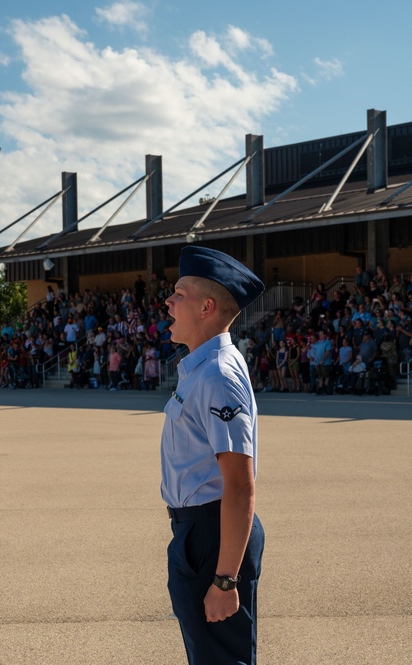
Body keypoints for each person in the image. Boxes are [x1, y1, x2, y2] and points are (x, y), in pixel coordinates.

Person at [161, 246, 265, 665]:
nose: (169, 301)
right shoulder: (202, 368)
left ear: (206, 306)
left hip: (212, 535)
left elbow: (240, 485)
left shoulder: (218, 375)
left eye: (178, 293)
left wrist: (225, 580)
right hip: (200, 533)